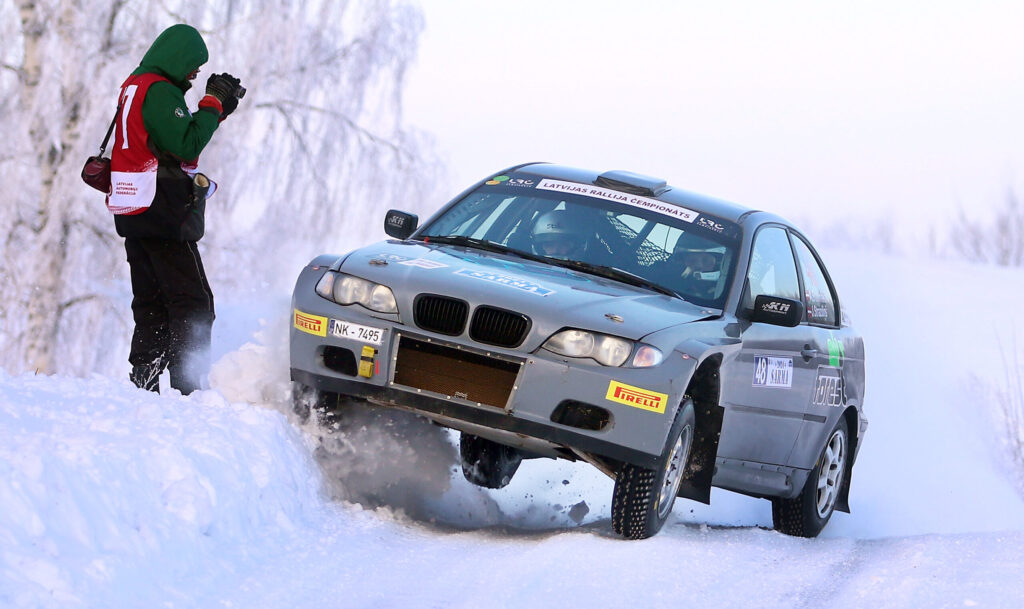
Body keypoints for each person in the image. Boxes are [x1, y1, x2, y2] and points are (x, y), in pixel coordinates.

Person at [106, 24, 243, 394]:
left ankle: (144, 382)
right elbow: (186, 146)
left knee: (151, 301)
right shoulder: (160, 90)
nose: (195, 73)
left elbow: (164, 140)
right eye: (193, 65)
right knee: (194, 302)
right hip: (162, 210)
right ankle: (190, 387)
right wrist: (211, 104)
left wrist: (217, 113)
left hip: (132, 207)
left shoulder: (134, 86)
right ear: (178, 57)